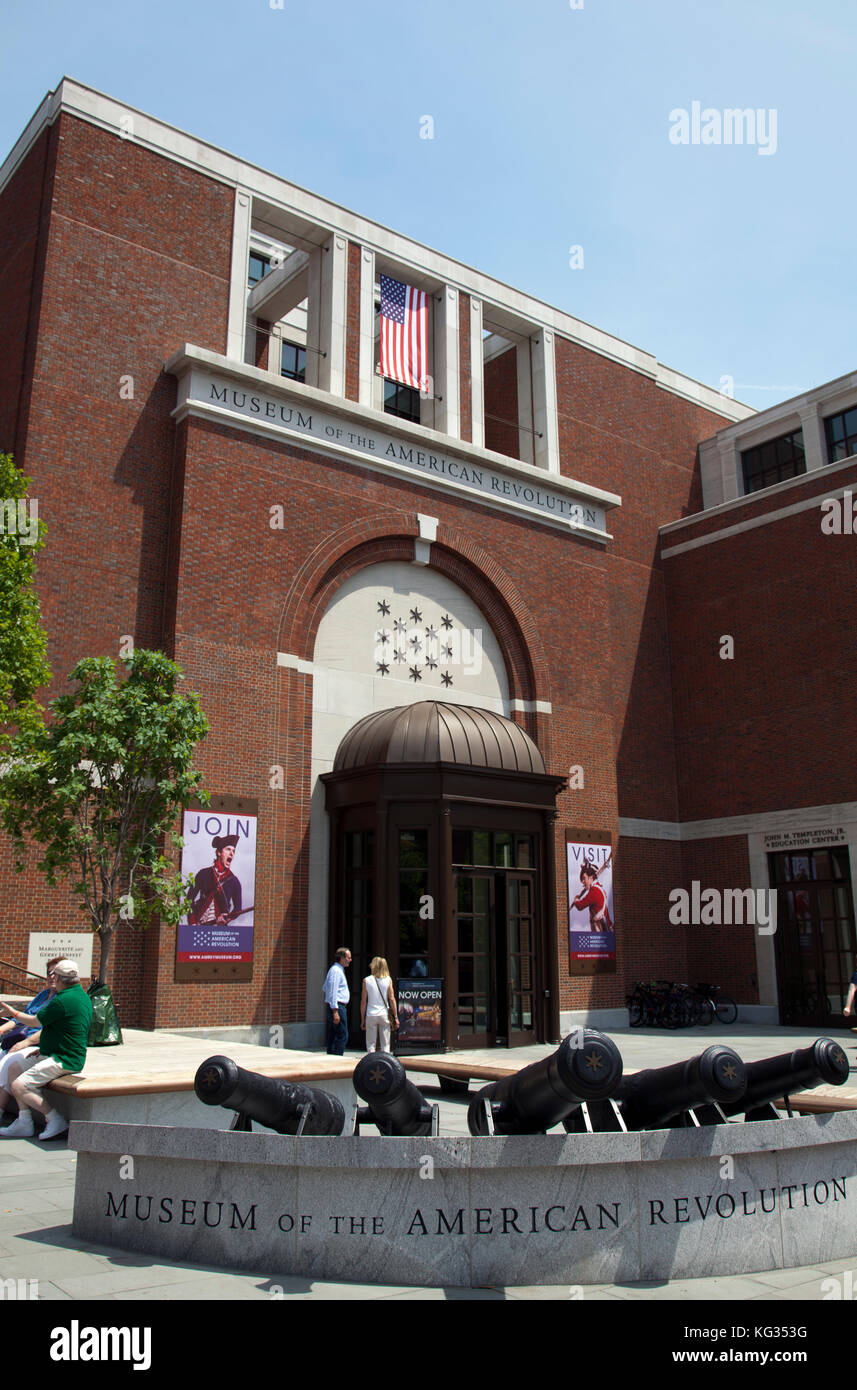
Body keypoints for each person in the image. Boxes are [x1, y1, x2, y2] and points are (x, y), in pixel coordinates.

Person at [0, 960, 93, 1141]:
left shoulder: (64, 1000)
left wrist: (13, 1012)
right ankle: (24, 1121)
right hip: (52, 1053)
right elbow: (62, 1029)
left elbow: (34, 1022)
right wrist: (44, 1048)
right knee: (14, 1068)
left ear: (58, 978)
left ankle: (55, 1119)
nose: (51, 978)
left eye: (53, 975)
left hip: (64, 1059)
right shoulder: (80, 995)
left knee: (20, 1085)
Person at [188, 834, 243, 925]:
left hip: (220, 929)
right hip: (198, 926)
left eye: (233, 851)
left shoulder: (234, 881)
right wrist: (192, 922)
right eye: (228, 849)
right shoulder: (203, 874)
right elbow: (189, 899)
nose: (231, 853)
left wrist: (227, 917)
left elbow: (238, 909)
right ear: (219, 852)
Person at [361, 957, 399, 1053]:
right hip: (384, 1014)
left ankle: (371, 1062)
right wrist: (396, 1016)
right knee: (386, 1044)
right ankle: (386, 1062)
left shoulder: (366, 980)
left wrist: (362, 1018)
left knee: (371, 1044)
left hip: (371, 1014)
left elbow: (363, 1001)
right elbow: (391, 998)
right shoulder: (388, 980)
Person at [323, 947, 352, 1055]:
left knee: (334, 1034)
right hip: (337, 1007)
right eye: (348, 957)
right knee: (342, 1035)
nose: (350, 960)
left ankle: (331, 1056)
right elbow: (332, 990)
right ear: (342, 958)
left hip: (338, 1006)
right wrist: (335, 1011)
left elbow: (325, 987)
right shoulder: (336, 971)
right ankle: (337, 1057)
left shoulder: (338, 970)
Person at [572, 861, 613, 933]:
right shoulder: (600, 889)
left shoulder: (594, 891)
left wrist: (576, 900)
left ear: (591, 878)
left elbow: (580, 906)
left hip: (600, 930)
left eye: (584, 878)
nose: (583, 882)